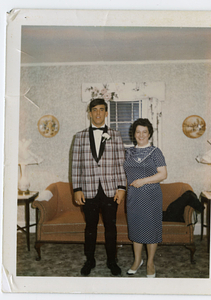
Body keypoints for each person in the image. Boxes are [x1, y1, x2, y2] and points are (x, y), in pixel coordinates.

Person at [71, 98, 126, 276]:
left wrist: (121, 187)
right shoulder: (79, 136)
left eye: (101, 109)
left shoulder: (115, 135)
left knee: (111, 227)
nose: (98, 113)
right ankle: (90, 260)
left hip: (110, 189)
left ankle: (112, 261)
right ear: (89, 113)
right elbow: (75, 164)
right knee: (90, 227)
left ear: (106, 113)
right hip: (88, 190)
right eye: (94, 110)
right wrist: (76, 189)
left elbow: (120, 163)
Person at [123, 118, 167, 278]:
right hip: (133, 197)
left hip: (151, 197)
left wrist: (143, 181)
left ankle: (150, 263)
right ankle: (137, 261)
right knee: (135, 228)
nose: (141, 135)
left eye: (144, 132)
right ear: (134, 134)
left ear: (149, 134)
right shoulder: (127, 152)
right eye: (138, 131)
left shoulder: (156, 152)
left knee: (151, 229)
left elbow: (163, 174)